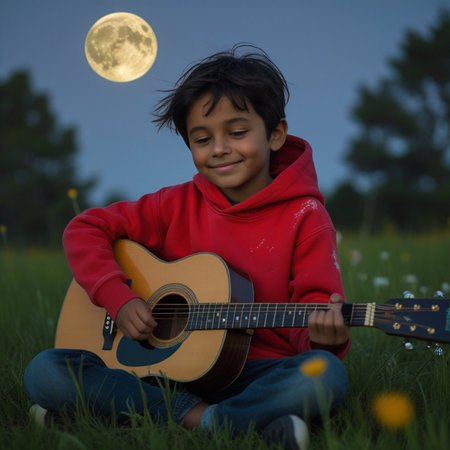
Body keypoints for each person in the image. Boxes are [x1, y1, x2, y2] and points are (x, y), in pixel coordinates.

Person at [24, 44, 350, 450]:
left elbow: (313, 311)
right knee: (46, 371)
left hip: (257, 373)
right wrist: (118, 298)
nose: (218, 149)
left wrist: (324, 340)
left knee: (325, 373)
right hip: (160, 369)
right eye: (201, 138)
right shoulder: (173, 205)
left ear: (276, 133)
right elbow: (85, 226)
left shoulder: (305, 215)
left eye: (237, 132)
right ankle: (227, 422)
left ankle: (171, 417)